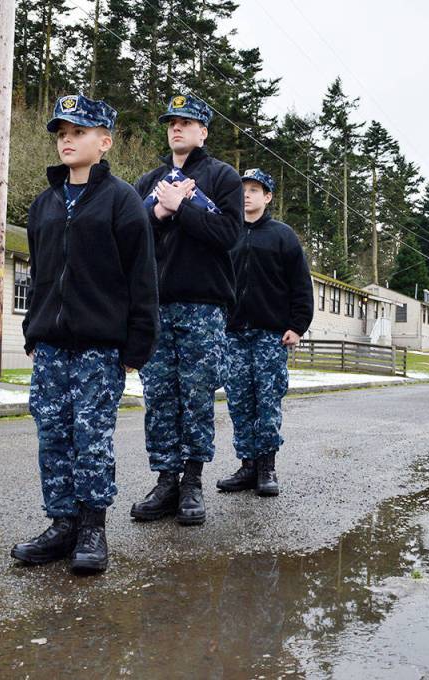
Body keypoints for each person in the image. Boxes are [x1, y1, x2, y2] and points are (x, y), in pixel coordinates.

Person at [11, 94, 159, 573]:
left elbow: (142, 277)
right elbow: (41, 275)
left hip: (100, 347)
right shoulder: (44, 205)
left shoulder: (123, 201)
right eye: (61, 133)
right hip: (52, 345)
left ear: (104, 141)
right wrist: (33, 331)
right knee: (52, 436)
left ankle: (92, 528)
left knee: (90, 436)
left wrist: (138, 343)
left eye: (77, 132)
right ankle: (61, 524)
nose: (67, 140)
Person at [130, 93, 243, 526]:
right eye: (171, 122)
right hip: (157, 304)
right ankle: (164, 480)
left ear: (203, 132)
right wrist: (159, 211)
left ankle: (192, 481)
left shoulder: (222, 177)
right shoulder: (148, 180)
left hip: (203, 305)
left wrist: (186, 206)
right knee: (159, 396)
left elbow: (229, 234)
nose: (176, 128)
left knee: (195, 396)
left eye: (187, 122)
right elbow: (134, 241)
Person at [217, 168, 313, 497]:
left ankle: (266, 467)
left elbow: (301, 286)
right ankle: (247, 466)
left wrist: (297, 325)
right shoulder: (225, 232)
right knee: (240, 403)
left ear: (267, 196)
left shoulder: (282, 236)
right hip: (232, 335)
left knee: (267, 402)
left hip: (270, 336)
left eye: (255, 189)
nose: (246, 195)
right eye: (242, 189)